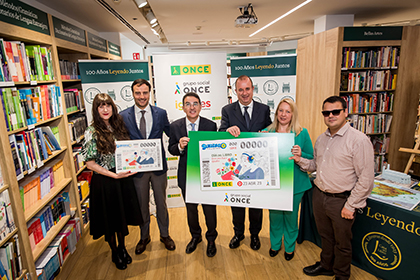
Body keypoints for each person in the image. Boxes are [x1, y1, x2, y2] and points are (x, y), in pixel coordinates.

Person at [290, 96, 374, 280]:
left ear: (345, 113)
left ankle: (342, 275)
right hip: (320, 196)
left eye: (335, 111)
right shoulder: (321, 139)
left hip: (342, 200)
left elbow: (366, 179)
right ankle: (326, 266)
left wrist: (351, 205)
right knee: (325, 237)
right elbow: (315, 165)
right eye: (326, 113)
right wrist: (300, 160)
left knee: (342, 242)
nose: (331, 116)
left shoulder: (359, 141)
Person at [81, 93, 142, 270]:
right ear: (96, 109)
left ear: (113, 107)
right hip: (105, 182)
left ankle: (123, 248)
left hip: (123, 178)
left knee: (121, 216)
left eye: (108, 105)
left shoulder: (119, 126)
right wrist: (112, 175)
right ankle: (115, 251)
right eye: (101, 106)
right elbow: (89, 163)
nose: (105, 109)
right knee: (110, 219)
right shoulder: (91, 131)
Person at [120, 78, 175, 254]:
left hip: (158, 169)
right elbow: (120, 142)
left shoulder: (160, 113)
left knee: (161, 203)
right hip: (137, 170)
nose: (142, 96)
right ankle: (144, 237)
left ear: (149, 93)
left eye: (145, 92)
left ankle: (165, 235)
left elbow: (171, 133)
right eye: (138, 93)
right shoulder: (123, 116)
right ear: (133, 93)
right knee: (142, 205)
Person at [219, 75, 272, 250]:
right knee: (238, 204)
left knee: (257, 204)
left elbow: (271, 131)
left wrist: (265, 132)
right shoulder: (227, 110)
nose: (244, 93)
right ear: (235, 91)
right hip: (238, 166)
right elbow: (220, 133)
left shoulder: (264, 110)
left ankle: (255, 235)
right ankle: (238, 233)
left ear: (253, 89)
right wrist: (227, 130)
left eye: (247, 89)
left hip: (257, 167)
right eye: (240, 90)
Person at [262, 98, 313, 260]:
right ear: (276, 113)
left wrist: (300, 154)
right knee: (275, 216)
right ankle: (275, 244)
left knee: (291, 217)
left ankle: (289, 247)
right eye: (281, 111)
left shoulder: (301, 133)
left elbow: (311, 158)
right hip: (273, 184)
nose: (283, 115)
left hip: (295, 184)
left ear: (293, 114)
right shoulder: (266, 132)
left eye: (288, 111)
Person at [168, 92, 218, 257]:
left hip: (206, 175)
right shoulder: (175, 126)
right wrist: (180, 147)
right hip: (186, 175)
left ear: (201, 106)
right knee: (191, 210)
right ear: (183, 107)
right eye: (188, 104)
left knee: (209, 210)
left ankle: (211, 239)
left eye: (195, 103)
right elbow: (171, 148)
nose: (192, 107)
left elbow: (216, 150)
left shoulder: (210, 126)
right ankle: (195, 236)